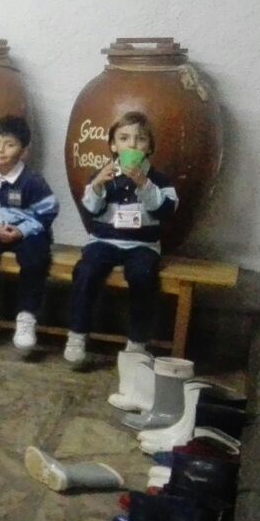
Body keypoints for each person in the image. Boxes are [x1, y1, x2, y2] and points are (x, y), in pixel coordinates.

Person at [65, 112, 179, 365]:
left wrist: (144, 184)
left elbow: (166, 211)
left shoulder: (159, 180)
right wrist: (97, 186)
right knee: (86, 271)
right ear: (113, 145)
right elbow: (91, 210)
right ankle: (77, 334)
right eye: (124, 138)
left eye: (140, 139)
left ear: (149, 147)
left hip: (143, 244)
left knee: (143, 275)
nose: (132, 144)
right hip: (103, 240)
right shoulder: (103, 175)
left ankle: (137, 342)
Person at [0, 115, 59, 351]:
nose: (0, 150)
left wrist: (21, 230)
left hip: (28, 232)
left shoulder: (32, 180)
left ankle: (27, 316)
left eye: (9, 144)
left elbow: (48, 211)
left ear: (24, 151)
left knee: (36, 259)